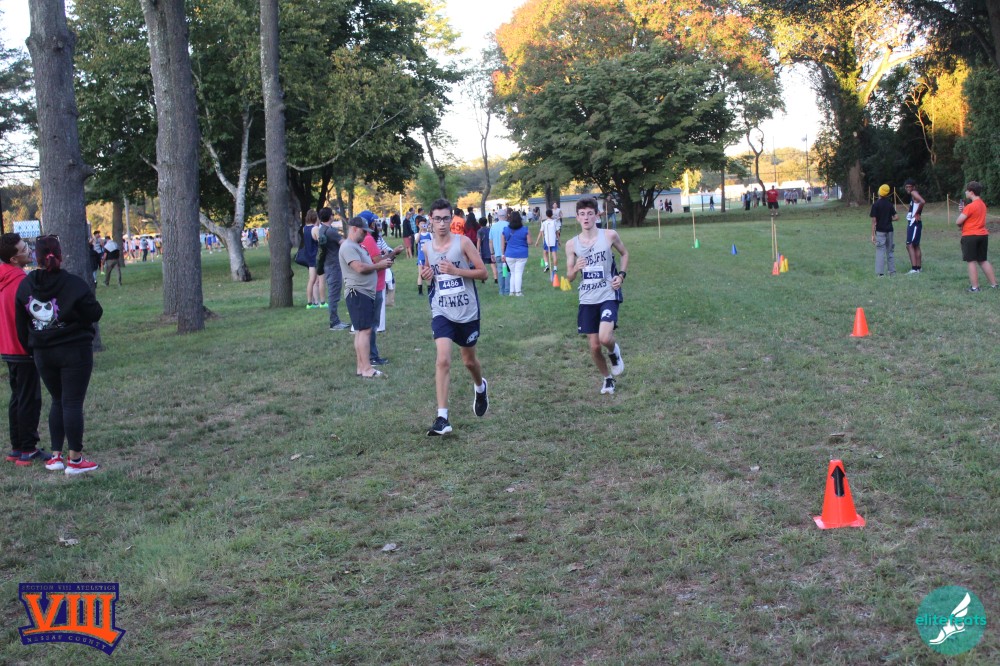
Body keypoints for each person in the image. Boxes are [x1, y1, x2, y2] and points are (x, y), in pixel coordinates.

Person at [15, 236, 103, 474]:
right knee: (72, 402)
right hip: (74, 350)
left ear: (37, 257)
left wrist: (32, 346)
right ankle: (75, 460)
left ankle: (56, 457)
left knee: (57, 400)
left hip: (43, 352)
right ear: (60, 255)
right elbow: (95, 312)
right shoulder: (73, 284)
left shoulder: (26, 285)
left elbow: (20, 322)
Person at [418, 198, 489, 436]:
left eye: (445, 218)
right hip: (442, 310)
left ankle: (480, 386)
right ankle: (442, 418)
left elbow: (483, 273)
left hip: (467, 311)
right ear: (430, 219)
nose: (441, 223)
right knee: (443, 360)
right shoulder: (426, 247)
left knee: (469, 361)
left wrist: (456, 270)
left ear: (451, 219)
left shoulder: (463, 242)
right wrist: (427, 275)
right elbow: (430, 276)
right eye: (437, 219)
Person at [565, 197, 629, 395]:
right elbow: (569, 277)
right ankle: (607, 379)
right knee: (594, 347)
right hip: (587, 298)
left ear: (597, 216)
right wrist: (575, 268)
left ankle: (613, 352)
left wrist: (621, 275)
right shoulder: (571, 244)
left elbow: (625, 254)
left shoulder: (609, 235)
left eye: (590, 214)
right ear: (577, 217)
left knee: (604, 337)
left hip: (608, 293)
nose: (586, 218)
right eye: (582, 214)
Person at [0, 234, 44, 466]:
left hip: (7, 345)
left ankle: (17, 447)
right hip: (22, 347)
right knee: (29, 399)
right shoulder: (20, 281)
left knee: (17, 398)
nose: (28, 250)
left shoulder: (4, 277)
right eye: (24, 248)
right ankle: (28, 449)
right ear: (14, 259)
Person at [340, 217, 393, 378]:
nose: (365, 235)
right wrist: (379, 266)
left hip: (362, 293)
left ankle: (361, 367)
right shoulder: (348, 247)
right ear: (354, 228)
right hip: (358, 293)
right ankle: (368, 369)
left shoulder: (356, 246)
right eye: (363, 231)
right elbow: (359, 267)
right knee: (365, 331)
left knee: (361, 331)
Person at [955, 181, 998, 292]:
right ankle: (994, 285)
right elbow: (974, 217)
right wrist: (964, 210)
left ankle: (975, 287)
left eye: (967, 190)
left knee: (971, 261)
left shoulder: (970, 206)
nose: (965, 192)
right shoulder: (982, 204)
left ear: (972, 192)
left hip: (970, 236)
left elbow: (958, 222)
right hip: (983, 235)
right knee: (983, 260)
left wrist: (963, 212)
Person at [313, 207, 350, 330]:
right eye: (332, 214)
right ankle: (334, 322)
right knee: (334, 294)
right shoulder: (330, 231)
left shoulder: (322, 229)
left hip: (328, 265)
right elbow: (344, 243)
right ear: (330, 217)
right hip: (334, 265)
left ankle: (335, 321)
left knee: (333, 293)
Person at [501, 210, 532, 296]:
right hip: (522, 254)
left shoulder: (505, 230)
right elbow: (529, 242)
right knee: (518, 272)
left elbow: (502, 244)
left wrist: (503, 254)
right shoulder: (525, 229)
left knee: (512, 273)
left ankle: (512, 292)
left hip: (509, 254)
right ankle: (518, 292)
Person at [870, 184, 898, 277]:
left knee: (880, 251)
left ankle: (880, 273)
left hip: (880, 231)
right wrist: (889, 219)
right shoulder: (889, 204)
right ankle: (892, 272)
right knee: (890, 251)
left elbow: (874, 221)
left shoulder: (876, 205)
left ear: (879, 192)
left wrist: (873, 235)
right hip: (890, 230)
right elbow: (896, 217)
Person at [302, 209, 325, 309]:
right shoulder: (315, 229)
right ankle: (323, 302)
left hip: (309, 257)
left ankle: (311, 302)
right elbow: (321, 242)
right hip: (317, 257)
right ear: (316, 218)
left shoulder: (304, 228)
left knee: (312, 280)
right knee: (320, 280)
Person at [904, 178, 925, 274]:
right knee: (916, 245)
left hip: (914, 223)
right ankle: (918, 268)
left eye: (910, 187)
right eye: (907, 187)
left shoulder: (914, 193)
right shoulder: (914, 194)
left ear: (914, 187)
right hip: (914, 223)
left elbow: (923, 201)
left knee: (910, 245)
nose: (908, 189)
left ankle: (914, 268)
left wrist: (917, 213)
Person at [489, 208, 511, 295]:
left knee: (500, 272)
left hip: (497, 253)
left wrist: (492, 253)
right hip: (507, 252)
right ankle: (507, 290)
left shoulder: (493, 227)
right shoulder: (508, 225)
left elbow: (490, 241)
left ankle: (501, 291)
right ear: (506, 216)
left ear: (498, 216)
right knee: (508, 271)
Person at [535, 208, 560, 274]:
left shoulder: (544, 223)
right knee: (554, 254)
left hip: (547, 240)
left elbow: (541, 232)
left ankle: (546, 265)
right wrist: (559, 241)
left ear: (546, 215)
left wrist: (537, 241)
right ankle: (555, 268)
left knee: (545, 253)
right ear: (552, 214)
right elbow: (557, 232)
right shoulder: (554, 222)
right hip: (553, 240)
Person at [415, 215, 432, 295]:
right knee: (420, 273)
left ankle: (429, 290)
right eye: (421, 224)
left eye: (424, 224)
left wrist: (430, 229)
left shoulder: (429, 234)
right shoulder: (417, 234)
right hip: (421, 256)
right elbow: (416, 241)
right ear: (418, 225)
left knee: (428, 273)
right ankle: (420, 291)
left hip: (429, 256)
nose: (422, 225)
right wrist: (420, 231)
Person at [476, 217, 495, 284]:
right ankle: (496, 278)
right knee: (493, 264)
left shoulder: (479, 231)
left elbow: (478, 241)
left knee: (482, 265)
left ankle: (483, 279)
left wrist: (478, 250)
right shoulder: (490, 229)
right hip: (491, 249)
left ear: (479, 223)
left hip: (483, 251)